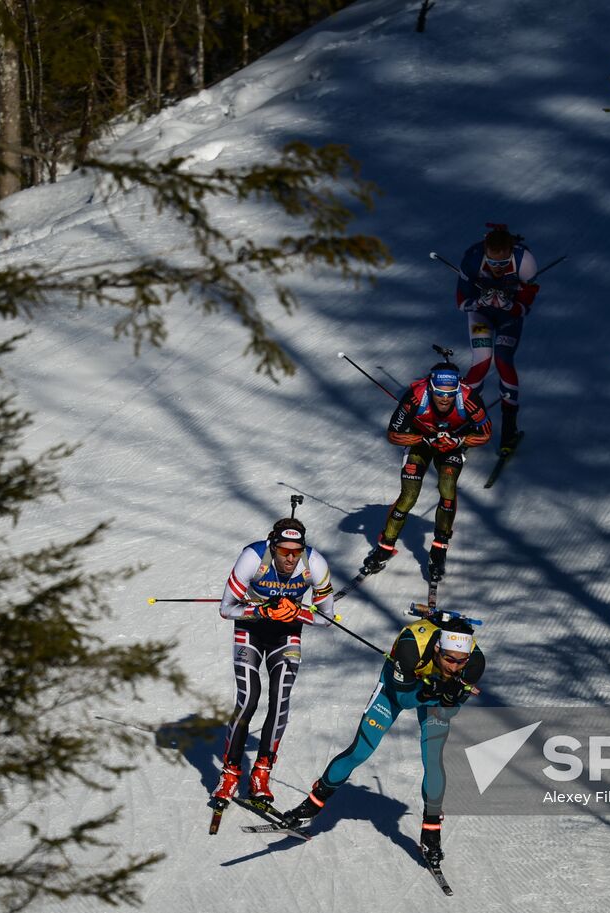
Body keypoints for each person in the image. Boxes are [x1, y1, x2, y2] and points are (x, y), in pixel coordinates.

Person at [279, 615, 485, 865]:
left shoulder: (473, 664)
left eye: (459, 662)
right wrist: (431, 691)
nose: (453, 667)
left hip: (431, 695)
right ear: (438, 649)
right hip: (396, 689)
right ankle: (310, 806)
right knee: (360, 751)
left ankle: (431, 832)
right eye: (449, 659)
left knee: (433, 759)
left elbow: (448, 712)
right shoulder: (412, 647)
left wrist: (450, 698)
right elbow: (404, 700)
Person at [212, 517, 335, 806]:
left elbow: (327, 617)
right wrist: (263, 610)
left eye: (296, 552)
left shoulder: (315, 564)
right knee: (248, 699)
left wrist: (299, 613)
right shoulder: (253, 557)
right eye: (284, 552)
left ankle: (261, 774)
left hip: (287, 635)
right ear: (273, 546)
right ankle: (229, 774)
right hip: (250, 632)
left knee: (280, 699)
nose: (291, 558)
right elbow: (226, 609)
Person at [362, 361, 491, 582]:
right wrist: (424, 438)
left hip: (451, 445)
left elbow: (485, 434)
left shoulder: (469, 400)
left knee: (447, 488)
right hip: (420, 442)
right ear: (431, 388)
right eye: (440, 393)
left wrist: (459, 439)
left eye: (451, 394)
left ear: (458, 390)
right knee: (409, 494)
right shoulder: (415, 396)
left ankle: (439, 548)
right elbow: (393, 434)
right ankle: (385, 546)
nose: (445, 398)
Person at [454, 224, 538, 450]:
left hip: (508, 318)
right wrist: (479, 302)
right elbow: (461, 303)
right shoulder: (472, 259)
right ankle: (466, 422)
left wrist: (510, 304)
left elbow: (525, 307)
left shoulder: (525, 261)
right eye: (492, 262)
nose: (497, 268)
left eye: (502, 263)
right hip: (481, 315)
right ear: (485, 251)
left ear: (511, 251)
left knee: (502, 359)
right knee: (481, 362)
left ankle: (509, 430)